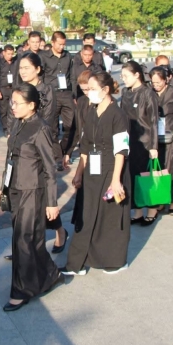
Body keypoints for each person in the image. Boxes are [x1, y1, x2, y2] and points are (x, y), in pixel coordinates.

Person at [3, 84, 65, 311]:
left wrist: (52, 203)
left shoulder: (41, 129)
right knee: (28, 240)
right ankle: (51, 275)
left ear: (31, 105)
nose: (13, 107)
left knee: (24, 240)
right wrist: (4, 187)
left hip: (33, 191)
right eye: (12, 102)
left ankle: (21, 291)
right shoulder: (18, 123)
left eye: (17, 103)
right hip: (15, 188)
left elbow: (50, 169)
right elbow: (11, 158)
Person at [62, 71, 131, 276]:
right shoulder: (92, 111)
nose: (88, 93)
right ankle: (76, 263)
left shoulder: (118, 115)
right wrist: (79, 173)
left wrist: (116, 180)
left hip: (111, 169)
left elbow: (121, 150)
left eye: (92, 89)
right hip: (92, 170)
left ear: (105, 90)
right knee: (86, 214)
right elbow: (85, 146)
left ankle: (113, 260)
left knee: (109, 217)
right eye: (87, 89)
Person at [17, 52, 67, 252]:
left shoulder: (46, 90)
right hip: (22, 146)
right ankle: (25, 243)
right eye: (20, 68)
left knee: (44, 195)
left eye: (27, 68)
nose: (23, 72)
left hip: (40, 145)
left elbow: (48, 122)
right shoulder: (20, 89)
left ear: (38, 69)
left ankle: (59, 232)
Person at [119, 62, 160, 225]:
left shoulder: (148, 93)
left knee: (147, 177)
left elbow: (154, 121)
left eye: (126, 76)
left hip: (145, 141)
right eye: (122, 76)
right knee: (133, 176)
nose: (123, 79)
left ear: (137, 75)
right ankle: (137, 211)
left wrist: (154, 147)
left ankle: (152, 210)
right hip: (130, 141)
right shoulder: (125, 92)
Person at [150, 67, 173, 214]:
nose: (156, 85)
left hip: (171, 135)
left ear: (165, 80)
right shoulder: (150, 93)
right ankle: (160, 199)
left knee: (171, 169)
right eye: (153, 83)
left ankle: (172, 201)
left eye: (159, 82)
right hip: (154, 137)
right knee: (157, 169)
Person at [40, 31, 75, 170]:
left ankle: (63, 149)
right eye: (59, 44)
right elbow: (41, 77)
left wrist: (73, 94)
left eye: (63, 44)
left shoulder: (68, 56)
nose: (61, 47)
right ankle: (58, 158)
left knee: (71, 126)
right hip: (51, 94)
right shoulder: (44, 56)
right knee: (52, 128)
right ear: (53, 42)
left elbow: (72, 76)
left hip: (66, 94)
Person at [65, 70, 93, 232]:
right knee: (81, 185)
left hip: (97, 152)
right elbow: (75, 128)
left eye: (89, 89)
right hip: (84, 149)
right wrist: (68, 151)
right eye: (83, 90)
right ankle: (81, 221)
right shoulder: (82, 102)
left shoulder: (103, 102)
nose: (87, 93)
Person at [0, 44, 17, 135]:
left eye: (11, 54)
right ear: (4, 53)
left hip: (13, 89)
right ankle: (5, 128)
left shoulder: (15, 62)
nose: (10, 56)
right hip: (3, 89)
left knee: (13, 109)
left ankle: (12, 127)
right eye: (8, 54)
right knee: (3, 110)